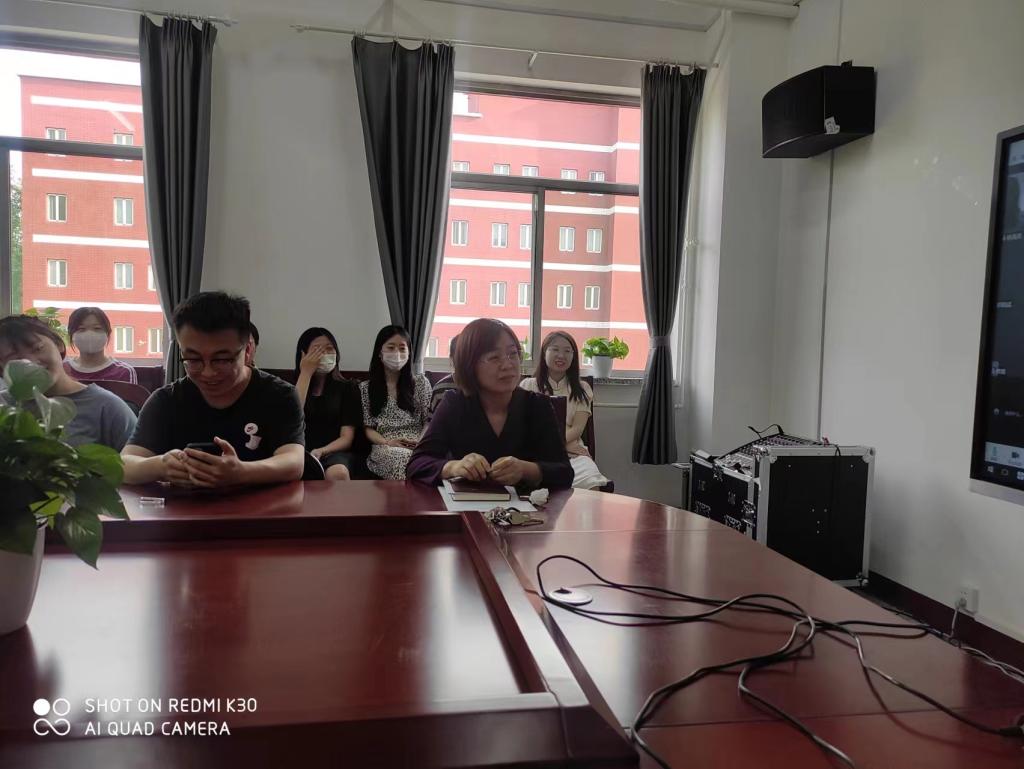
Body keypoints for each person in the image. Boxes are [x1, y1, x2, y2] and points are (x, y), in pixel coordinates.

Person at [120, 292, 305, 488]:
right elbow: (124, 465)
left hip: (263, 506)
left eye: (222, 360)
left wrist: (241, 472)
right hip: (184, 506)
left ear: (248, 351)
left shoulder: (279, 395)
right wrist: (160, 466)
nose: (208, 372)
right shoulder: (166, 400)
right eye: (193, 359)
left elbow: (293, 462)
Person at [407, 318, 573, 490]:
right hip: (468, 504)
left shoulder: (538, 406)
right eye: (494, 357)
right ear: (469, 364)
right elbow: (416, 464)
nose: (508, 365)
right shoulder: (454, 404)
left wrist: (526, 470)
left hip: (526, 506)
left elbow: (565, 472)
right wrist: (454, 467)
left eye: (513, 354)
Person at [0, 314, 137, 450]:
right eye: (15, 358)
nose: (32, 362)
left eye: (38, 349)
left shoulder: (107, 407)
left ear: (59, 344)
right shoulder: (4, 406)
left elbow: (135, 459)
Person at [520, 331, 610, 490]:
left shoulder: (582, 388)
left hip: (573, 456)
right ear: (544, 352)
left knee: (591, 482)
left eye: (567, 351)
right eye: (555, 349)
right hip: (537, 454)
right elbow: (525, 429)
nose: (561, 355)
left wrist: (561, 446)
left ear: (574, 356)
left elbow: (577, 429)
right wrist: (562, 445)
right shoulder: (528, 385)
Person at [359, 325, 430, 480]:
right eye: (391, 348)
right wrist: (388, 442)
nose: (397, 353)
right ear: (380, 352)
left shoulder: (421, 383)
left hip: (418, 444)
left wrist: (420, 443)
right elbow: (368, 428)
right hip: (386, 445)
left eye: (402, 348)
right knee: (403, 459)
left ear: (409, 353)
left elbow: (429, 421)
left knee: (424, 459)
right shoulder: (366, 388)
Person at [294, 326, 361, 481]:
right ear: (303, 355)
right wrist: (306, 373)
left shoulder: (348, 388)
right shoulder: (293, 388)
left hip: (334, 452)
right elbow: (292, 417)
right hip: (299, 451)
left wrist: (322, 451)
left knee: (338, 473)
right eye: (317, 350)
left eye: (330, 349)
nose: (324, 354)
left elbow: (346, 438)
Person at [64, 306, 138, 384]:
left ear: (108, 333)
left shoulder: (123, 372)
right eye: (81, 329)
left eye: (97, 328)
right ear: (71, 334)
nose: (90, 334)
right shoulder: (62, 370)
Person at [429, 334, 459, 415]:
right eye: (460, 354)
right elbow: (431, 420)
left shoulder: (483, 389)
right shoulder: (440, 389)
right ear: (452, 358)